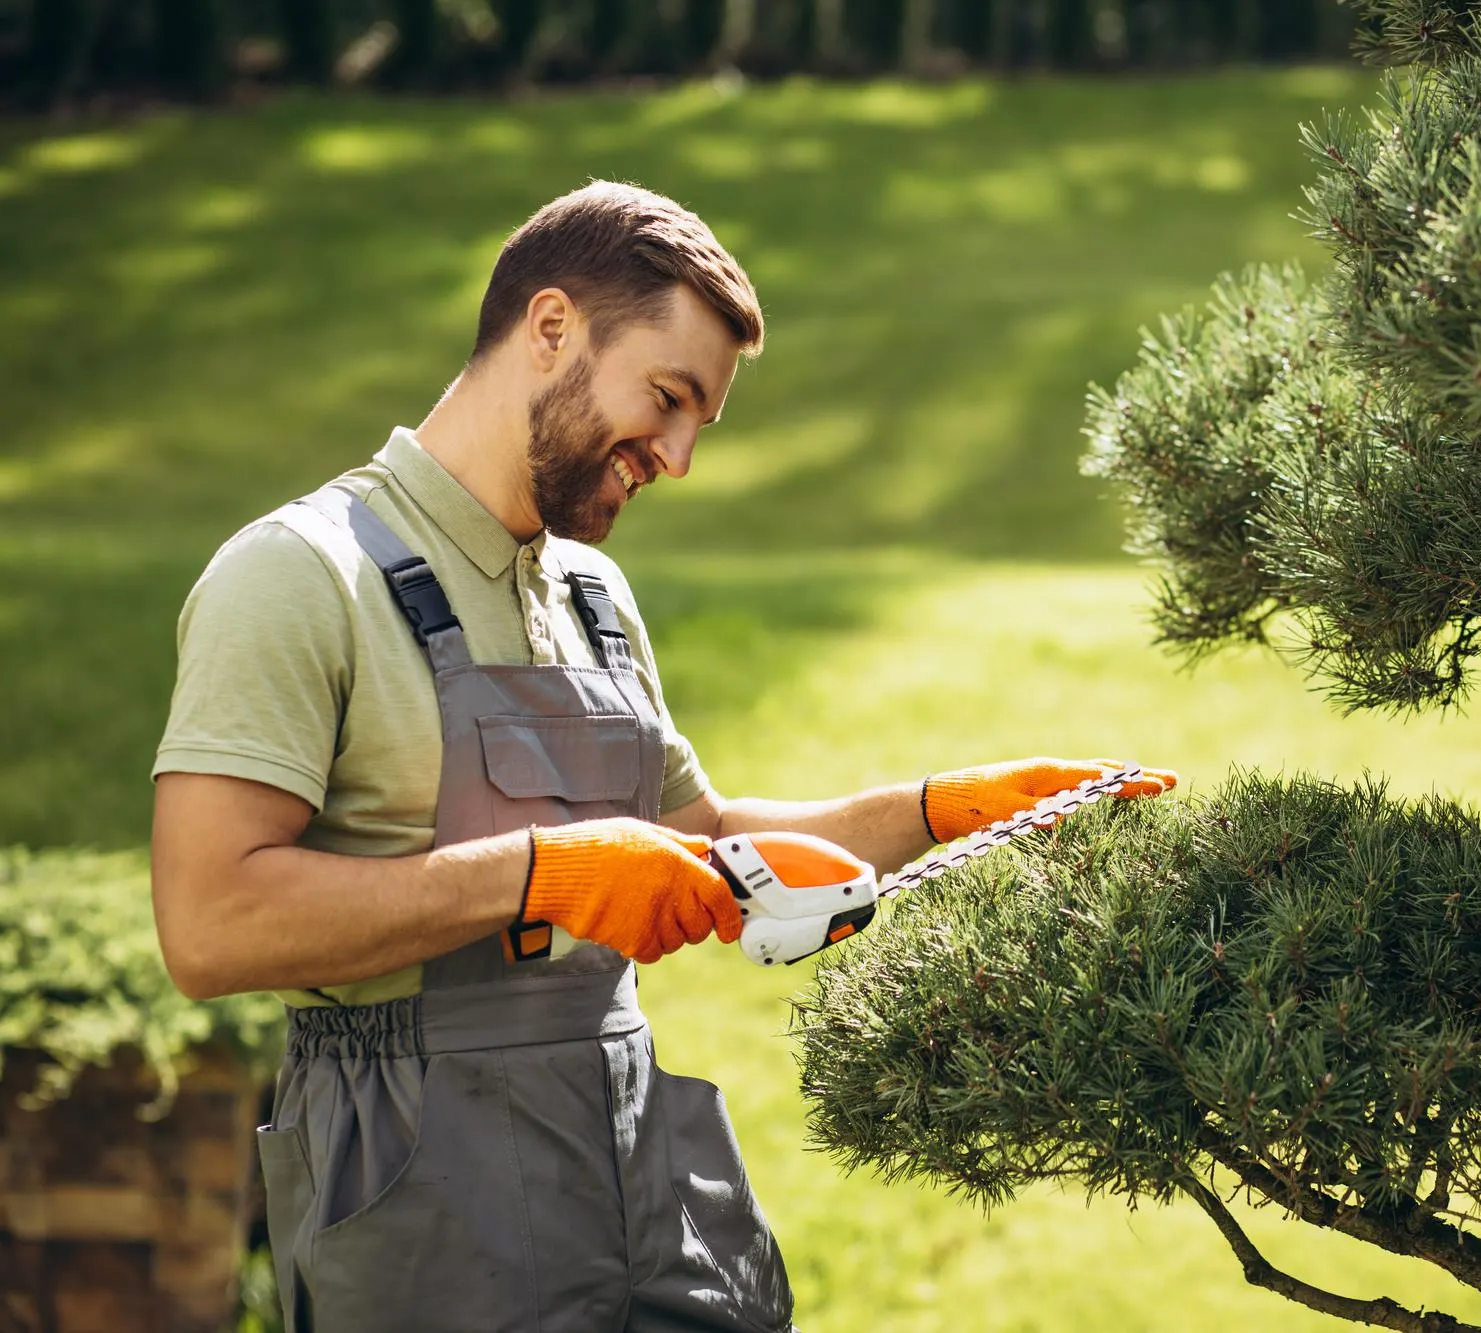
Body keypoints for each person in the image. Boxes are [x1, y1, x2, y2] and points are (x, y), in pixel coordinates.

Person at [148, 180, 1174, 1332]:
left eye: (700, 422)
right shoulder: (296, 576)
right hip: (420, 1181)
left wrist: (940, 810)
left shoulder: (589, 591)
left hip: (639, 1159)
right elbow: (210, 924)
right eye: (667, 397)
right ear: (550, 330)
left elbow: (702, 846)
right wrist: (544, 871)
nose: (677, 457)